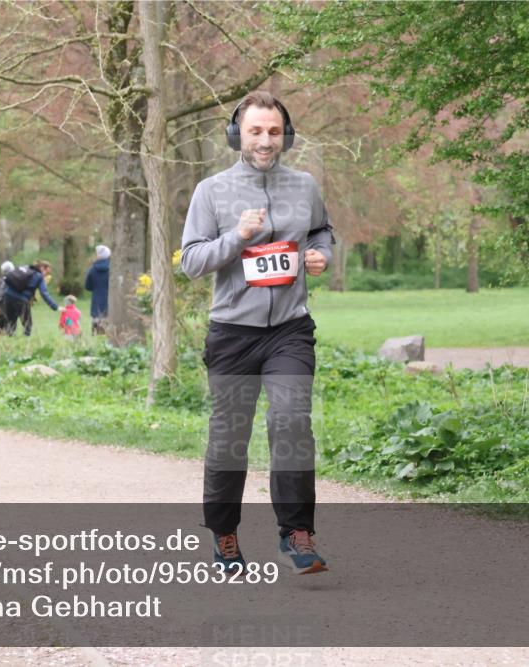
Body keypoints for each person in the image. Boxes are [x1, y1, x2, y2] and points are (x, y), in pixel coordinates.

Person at [180, 91, 334, 575]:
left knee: (291, 421)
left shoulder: (304, 186)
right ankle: (224, 535)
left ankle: (296, 534)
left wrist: (322, 255)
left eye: (273, 131)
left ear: (286, 135)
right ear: (237, 135)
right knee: (230, 437)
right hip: (232, 334)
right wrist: (237, 238)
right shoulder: (211, 191)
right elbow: (191, 261)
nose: (265, 141)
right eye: (255, 131)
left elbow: (322, 231)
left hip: (289, 329)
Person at [2, 260, 58, 336]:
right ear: (42, 268)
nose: (46, 275)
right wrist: (55, 306)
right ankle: (25, 341)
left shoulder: (26, 267)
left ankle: (9, 340)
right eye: (47, 272)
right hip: (21, 300)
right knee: (27, 325)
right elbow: (44, 294)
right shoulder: (39, 276)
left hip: (7, 296)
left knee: (10, 323)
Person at [84, 245, 110, 335]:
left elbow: (87, 286)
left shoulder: (92, 269)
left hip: (96, 304)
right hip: (110, 303)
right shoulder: (113, 269)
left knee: (96, 330)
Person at [0, 260, 15, 335]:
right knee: (8, 321)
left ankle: (0, 333)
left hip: (0, 304)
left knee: (0, 321)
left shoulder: (0, 280)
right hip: (7, 304)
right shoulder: (13, 280)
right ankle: (9, 334)